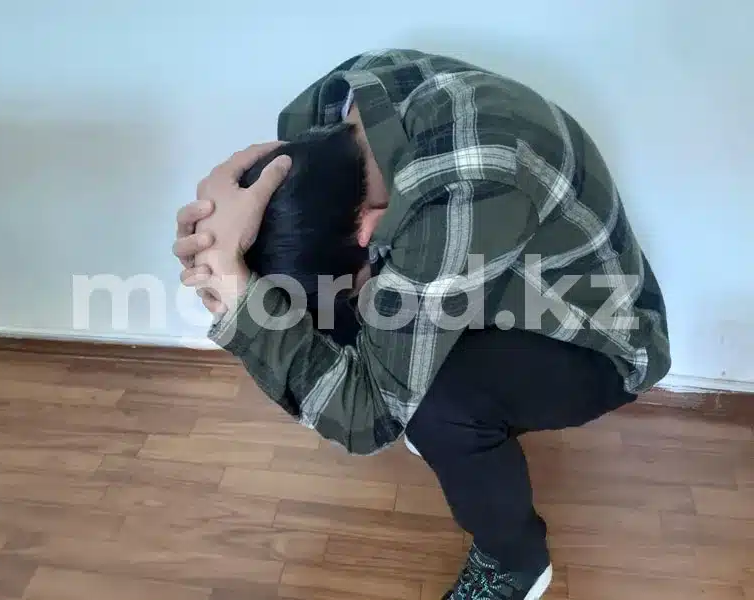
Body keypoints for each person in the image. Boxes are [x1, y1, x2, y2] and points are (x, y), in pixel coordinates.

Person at [172, 49, 671, 600]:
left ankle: (515, 560)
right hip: (491, 275)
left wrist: (240, 300)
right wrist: (218, 239)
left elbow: (368, 421)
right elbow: (284, 229)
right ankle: (413, 387)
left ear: (368, 232)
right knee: (326, 314)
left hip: (589, 334)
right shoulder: (330, 107)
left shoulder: (465, 188)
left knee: (435, 407)